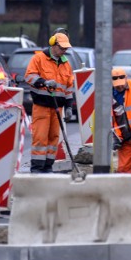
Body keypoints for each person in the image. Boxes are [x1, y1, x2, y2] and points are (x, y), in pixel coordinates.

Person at [25, 32, 75, 173]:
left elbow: (69, 88)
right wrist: (43, 82)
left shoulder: (66, 64)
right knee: (40, 138)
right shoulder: (39, 59)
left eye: (66, 48)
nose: (64, 51)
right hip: (42, 106)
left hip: (57, 108)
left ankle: (48, 167)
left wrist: (69, 107)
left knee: (53, 139)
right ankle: (37, 169)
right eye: (62, 48)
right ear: (53, 44)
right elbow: (29, 76)